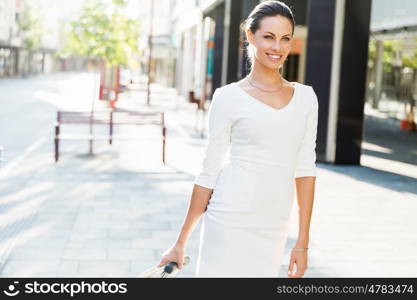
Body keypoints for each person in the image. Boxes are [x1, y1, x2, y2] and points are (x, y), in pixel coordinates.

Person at [157, 0, 318, 278]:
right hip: (229, 219)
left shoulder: (306, 98)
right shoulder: (228, 97)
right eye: (268, 37)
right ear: (250, 36)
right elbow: (209, 171)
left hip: (274, 223)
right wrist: (180, 242)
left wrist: (302, 242)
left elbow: (305, 170)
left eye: (285, 39)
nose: (277, 47)